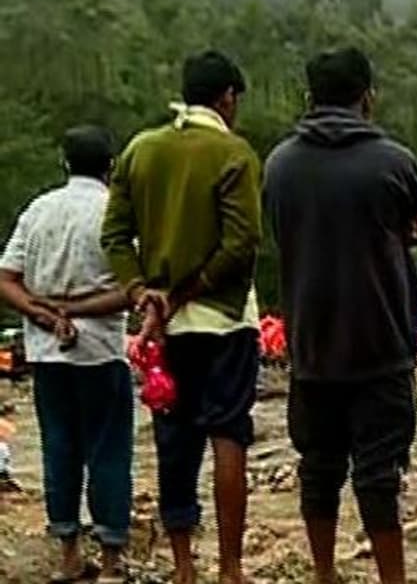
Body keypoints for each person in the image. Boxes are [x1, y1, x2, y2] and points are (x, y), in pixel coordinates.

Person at [263, 47, 417, 584]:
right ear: (367, 96)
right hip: (381, 343)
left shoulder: (280, 164)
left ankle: (324, 574)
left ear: (309, 97)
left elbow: (281, 232)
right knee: (379, 474)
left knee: (318, 469)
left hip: (312, 344)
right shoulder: (392, 161)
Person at [101, 51, 263, 584]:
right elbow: (241, 244)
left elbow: (115, 237)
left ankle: (183, 566)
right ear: (227, 98)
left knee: (174, 440)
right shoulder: (233, 152)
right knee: (228, 436)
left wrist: (144, 292)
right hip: (224, 321)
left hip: (162, 329)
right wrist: (190, 289)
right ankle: (232, 569)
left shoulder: (139, 151)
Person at [0, 125, 133, 583]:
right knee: (109, 449)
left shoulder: (39, 210)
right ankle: (114, 558)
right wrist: (75, 309)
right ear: (111, 166)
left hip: (46, 354)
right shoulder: (114, 212)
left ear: (65, 163)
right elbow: (131, 290)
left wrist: (41, 312)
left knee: (59, 447)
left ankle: (69, 554)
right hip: (100, 351)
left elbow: (6, 278)